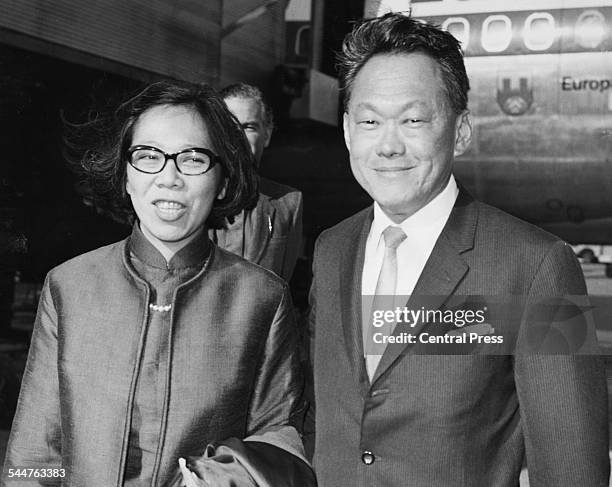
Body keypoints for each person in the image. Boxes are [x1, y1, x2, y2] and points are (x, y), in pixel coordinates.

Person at [307, 13, 609, 486]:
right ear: (347, 131)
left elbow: (574, 464)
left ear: (461, 130)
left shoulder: (538, 266)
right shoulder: (332, 251)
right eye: (369, 120)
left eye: (413, 119)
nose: (388, 145)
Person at [2, 81, 315, 487]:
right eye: (148, 156)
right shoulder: (69, 286)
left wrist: (225, 476)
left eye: (193, 158)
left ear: (222, 180)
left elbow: (281, 436)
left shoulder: (262, 298)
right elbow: (33, 456)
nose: (169, 177)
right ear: (125, 175)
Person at [209, 83, 303, 282]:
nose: (238, 137)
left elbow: (282, 287)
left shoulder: (288, 203)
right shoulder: (192, 195)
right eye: (229, 127)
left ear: (266, 135)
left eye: (248, 127)